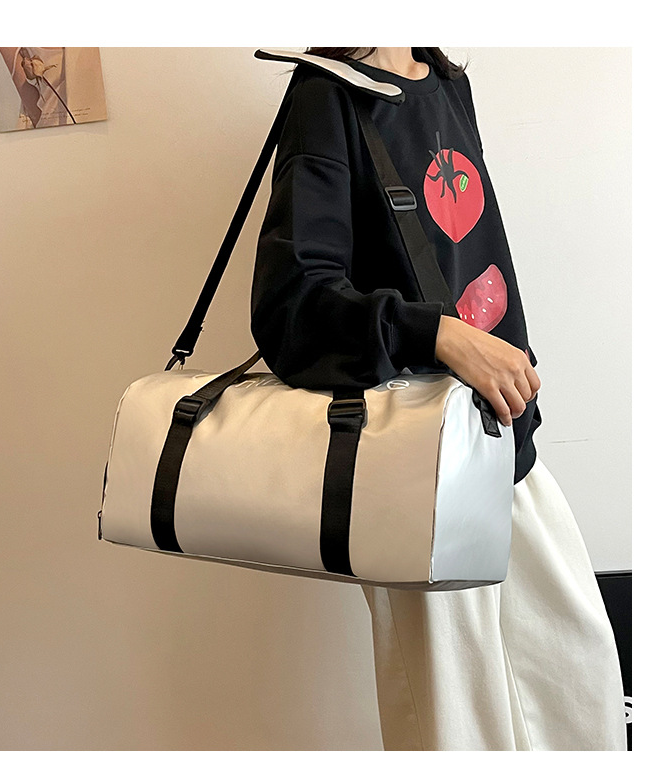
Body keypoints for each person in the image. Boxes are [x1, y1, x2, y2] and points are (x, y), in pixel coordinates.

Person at [250, 47, 627, 751]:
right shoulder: (326, 97)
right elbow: (292, 307)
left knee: (578, 679)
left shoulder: (447, 84)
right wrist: (440, 334)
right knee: (462, 727)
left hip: (503, 439)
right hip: (421, 470)